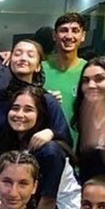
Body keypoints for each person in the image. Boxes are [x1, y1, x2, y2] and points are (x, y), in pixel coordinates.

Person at [0, 86, 83, 209]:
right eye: (15, 108)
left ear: (39, 115)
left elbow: (48, 200)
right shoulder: (12, 144)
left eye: (28, 110)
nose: (19, 114)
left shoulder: (50, 150)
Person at [0, 38, 72, 156]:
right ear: (10, 61)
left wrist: (51, 133)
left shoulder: (47, 100)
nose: (23, 58)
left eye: (30, 55)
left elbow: (65, 139)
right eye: (17, 54)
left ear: (38, 66)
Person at [42, 13, 88, 141]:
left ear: (83, 36)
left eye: (75, 31)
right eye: (63, 30)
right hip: (45, 145)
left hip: (80, 146)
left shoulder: (89, 71)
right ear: (54, 35)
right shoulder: (39, 69)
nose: (69, 36)